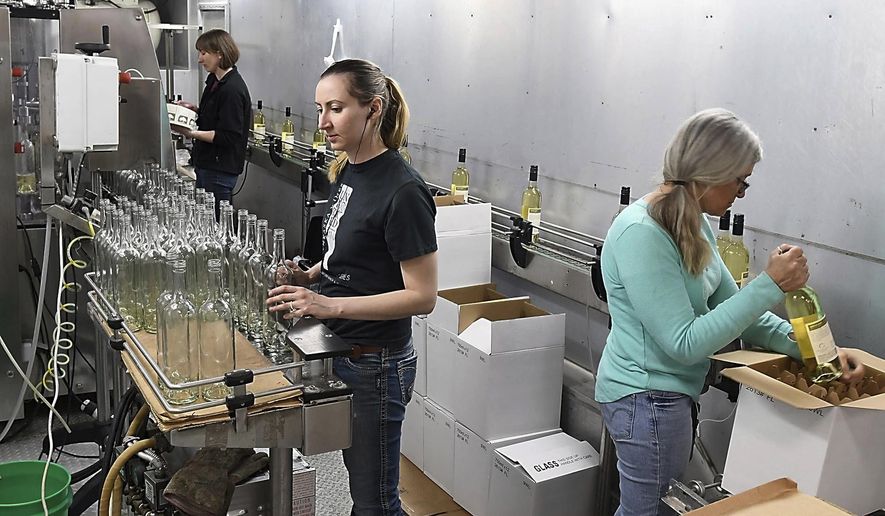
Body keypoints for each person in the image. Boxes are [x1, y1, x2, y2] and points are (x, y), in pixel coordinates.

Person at [594, 108, 866, 516]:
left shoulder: (693, 223)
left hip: (667, 398)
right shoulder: (641, 233)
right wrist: (769, 283)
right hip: (644, 399)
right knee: (643, 512)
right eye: (740, 181)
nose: (741, 193)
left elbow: (737, 310)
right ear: (710, 171)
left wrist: (818, 352)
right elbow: (683, 343)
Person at [267, 59, 438, 515]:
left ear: (373, 108)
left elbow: (422, 297)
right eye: (320, 108)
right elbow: (351, 251)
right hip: (345, 352)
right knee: (363, 488)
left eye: (336, 108)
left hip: (377, 364)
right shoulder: (348, 171)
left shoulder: (403, 191)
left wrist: (329, 306)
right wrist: (311, 275)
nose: (323, 122)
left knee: (375, 502)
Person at [175, 29, 251, 218]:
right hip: (207, 164)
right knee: (206, 221)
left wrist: (190, 133)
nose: (200, 59)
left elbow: (228, 136)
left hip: (219, 170)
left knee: (216, 224)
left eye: (203, 53)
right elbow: (216, 116)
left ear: (220, 53)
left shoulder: (232, 89)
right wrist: (194, 109)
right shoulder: (215, 81)